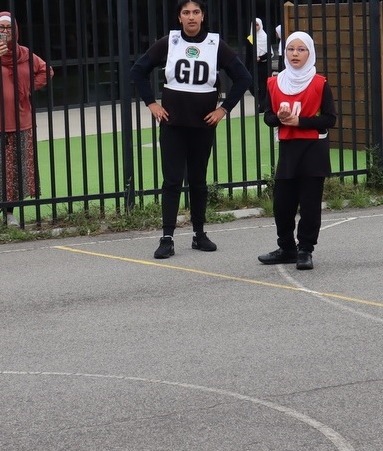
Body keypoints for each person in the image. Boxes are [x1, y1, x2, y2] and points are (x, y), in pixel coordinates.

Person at [130, 0, 251, 259]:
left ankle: (199, 234)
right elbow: (138, 71)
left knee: (198, 182)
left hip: (202, 126)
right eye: (186, 13)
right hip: (173, 126)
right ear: (180, 17)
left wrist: (224, 109)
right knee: (172, 181)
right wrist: (151, 103)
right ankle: (167, 238)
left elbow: (244, 78)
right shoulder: (168, 42)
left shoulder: (216, 45)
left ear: (203, 16)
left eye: (196, 12)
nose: (191, 17)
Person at [258, 31, 337, 270]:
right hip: (289, 149)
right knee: (282, 204)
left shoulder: (319, 83)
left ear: (309, 53)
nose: (295, 53)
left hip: (313, 149)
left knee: (310, 204)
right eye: (291, 49)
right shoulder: (274, 82)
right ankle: (287, 248)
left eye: (301, 49)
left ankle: (305, 250)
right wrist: (280, 119)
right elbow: (268, 116)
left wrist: (300, 121)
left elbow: (329, 119)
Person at [0, 11, 52, 227]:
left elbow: (46, 71)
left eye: (9, 28)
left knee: (14, 171)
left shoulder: (24, 54)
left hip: (19, 121)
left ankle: (9, 213)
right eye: (1, 28)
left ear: (15, 31)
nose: (5, 32)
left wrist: (26, 88)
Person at [245, 18, 270, 108]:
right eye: (254, 25)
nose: (255, 27)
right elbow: (248, 55)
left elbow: (269, 53)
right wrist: (246, 68)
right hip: (253, 66)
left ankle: (262, 105)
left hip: (263, 65)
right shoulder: (250, 38)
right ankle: (261, 101)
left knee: (263, 85)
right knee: (251, 85)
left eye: (257, 24)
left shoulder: (265, 37)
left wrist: (260, 58)